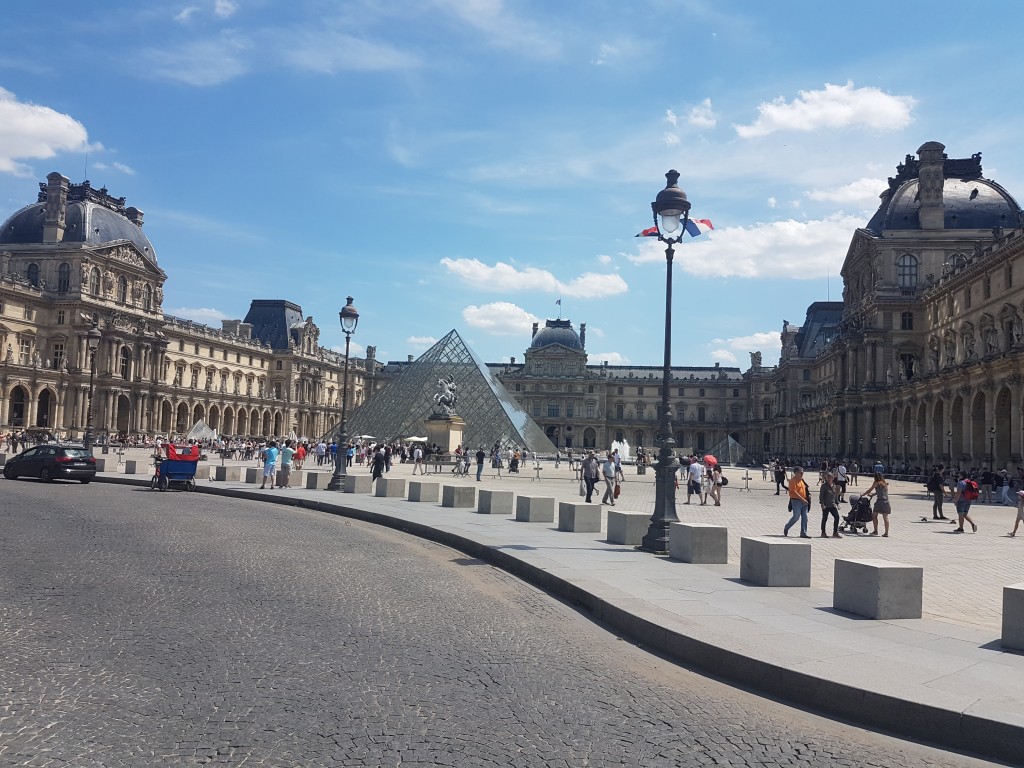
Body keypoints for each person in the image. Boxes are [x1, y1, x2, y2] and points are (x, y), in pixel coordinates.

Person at [783, 466, 811, 538]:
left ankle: (803, 533)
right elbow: (794, 492)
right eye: (800, 473)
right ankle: (787, 527)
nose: (802, 474)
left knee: (805, 517)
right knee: (796, 516)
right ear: (796, 473)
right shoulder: (792, 481)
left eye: (802, 473)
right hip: (796, 501)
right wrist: (802, 499)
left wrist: (806, 499)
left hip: (804, 501)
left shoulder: (802, 480)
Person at [863, 471, 891, 536]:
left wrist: (863, 494)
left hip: (879, 501)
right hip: (886, 502)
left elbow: (869, 490)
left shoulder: (876, 483)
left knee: (874, 515)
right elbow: (881, 492)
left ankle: (875, 531)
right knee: (885, 517)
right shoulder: (885, 483)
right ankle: (886, 532)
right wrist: (873, 495)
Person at [818, 472, 841, 538]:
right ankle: (823, 532)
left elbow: (835, 496)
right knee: (825, 518)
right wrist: (822, 504)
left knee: (837, 517)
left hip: (832, 505)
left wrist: (838, 503)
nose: (829, 478)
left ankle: (835, 532)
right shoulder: (824, 486)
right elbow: (821, 496)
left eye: (831, 477)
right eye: (828, 477)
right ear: (826, 478)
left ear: (833, 478)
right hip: (826, 505)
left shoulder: (834, 486)